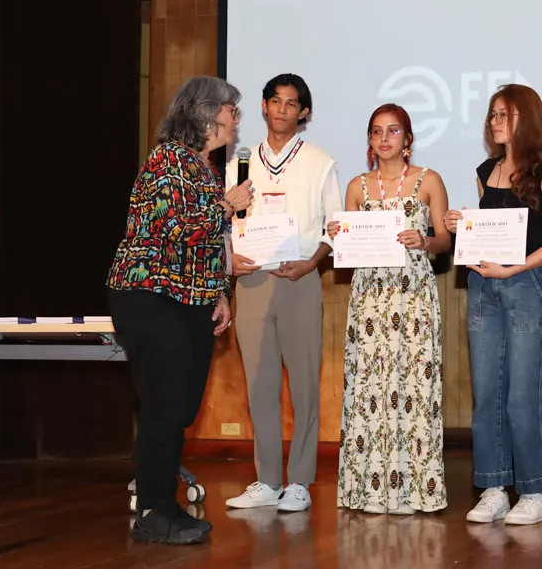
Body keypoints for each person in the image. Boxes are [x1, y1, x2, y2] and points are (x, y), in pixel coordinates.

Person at [106, 76, 253, 544]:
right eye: (231, 110)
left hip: (190, 298)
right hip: (150, 293)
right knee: (165, 404)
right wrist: (228, 205)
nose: (236, 119)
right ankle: (155, 510)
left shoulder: (203, 168)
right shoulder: (167, 159)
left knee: (182, 405)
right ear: (206, 113)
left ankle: (163, 507)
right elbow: (175, 227)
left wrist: (220, 293)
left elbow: (207, 245)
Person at [443, 85, 542, 525]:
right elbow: (490, 232)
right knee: (488, 394)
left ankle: (534, 492)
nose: (495, 121)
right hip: (484, 285)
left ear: (526, 118)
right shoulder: (487, 170)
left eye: (505, 114)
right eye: (493, 114)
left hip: (526, 286)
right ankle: (494, 487)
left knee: (522, 394)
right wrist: (462, 225)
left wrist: (515, 268)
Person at [225, 73, 343, 513]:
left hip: (299, 278)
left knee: (305, 384)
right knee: (260, 384)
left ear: (303, 112)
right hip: (251, 280)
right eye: (275, 101)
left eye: (291, 104)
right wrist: (230, 258)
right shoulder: (239, 162)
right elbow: (224, 221)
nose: (282, 109)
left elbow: (335, 226)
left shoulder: (319, 161)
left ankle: (300, 481)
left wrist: (312, 262)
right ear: (263, 106)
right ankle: (267, 480)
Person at [329, 103, 451, 514]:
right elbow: (347, 249)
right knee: (370, 387)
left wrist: (425, 240)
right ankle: (368, 490)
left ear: (408, 139)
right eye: (377, 131)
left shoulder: (429, 180)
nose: (385, 138)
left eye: (393, 130)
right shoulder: (356, 186)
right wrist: (338, 234)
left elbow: (444, 242)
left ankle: (414, 490)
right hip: (370, 297)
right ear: (369, 140)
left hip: (413, 294)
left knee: (414, 386)